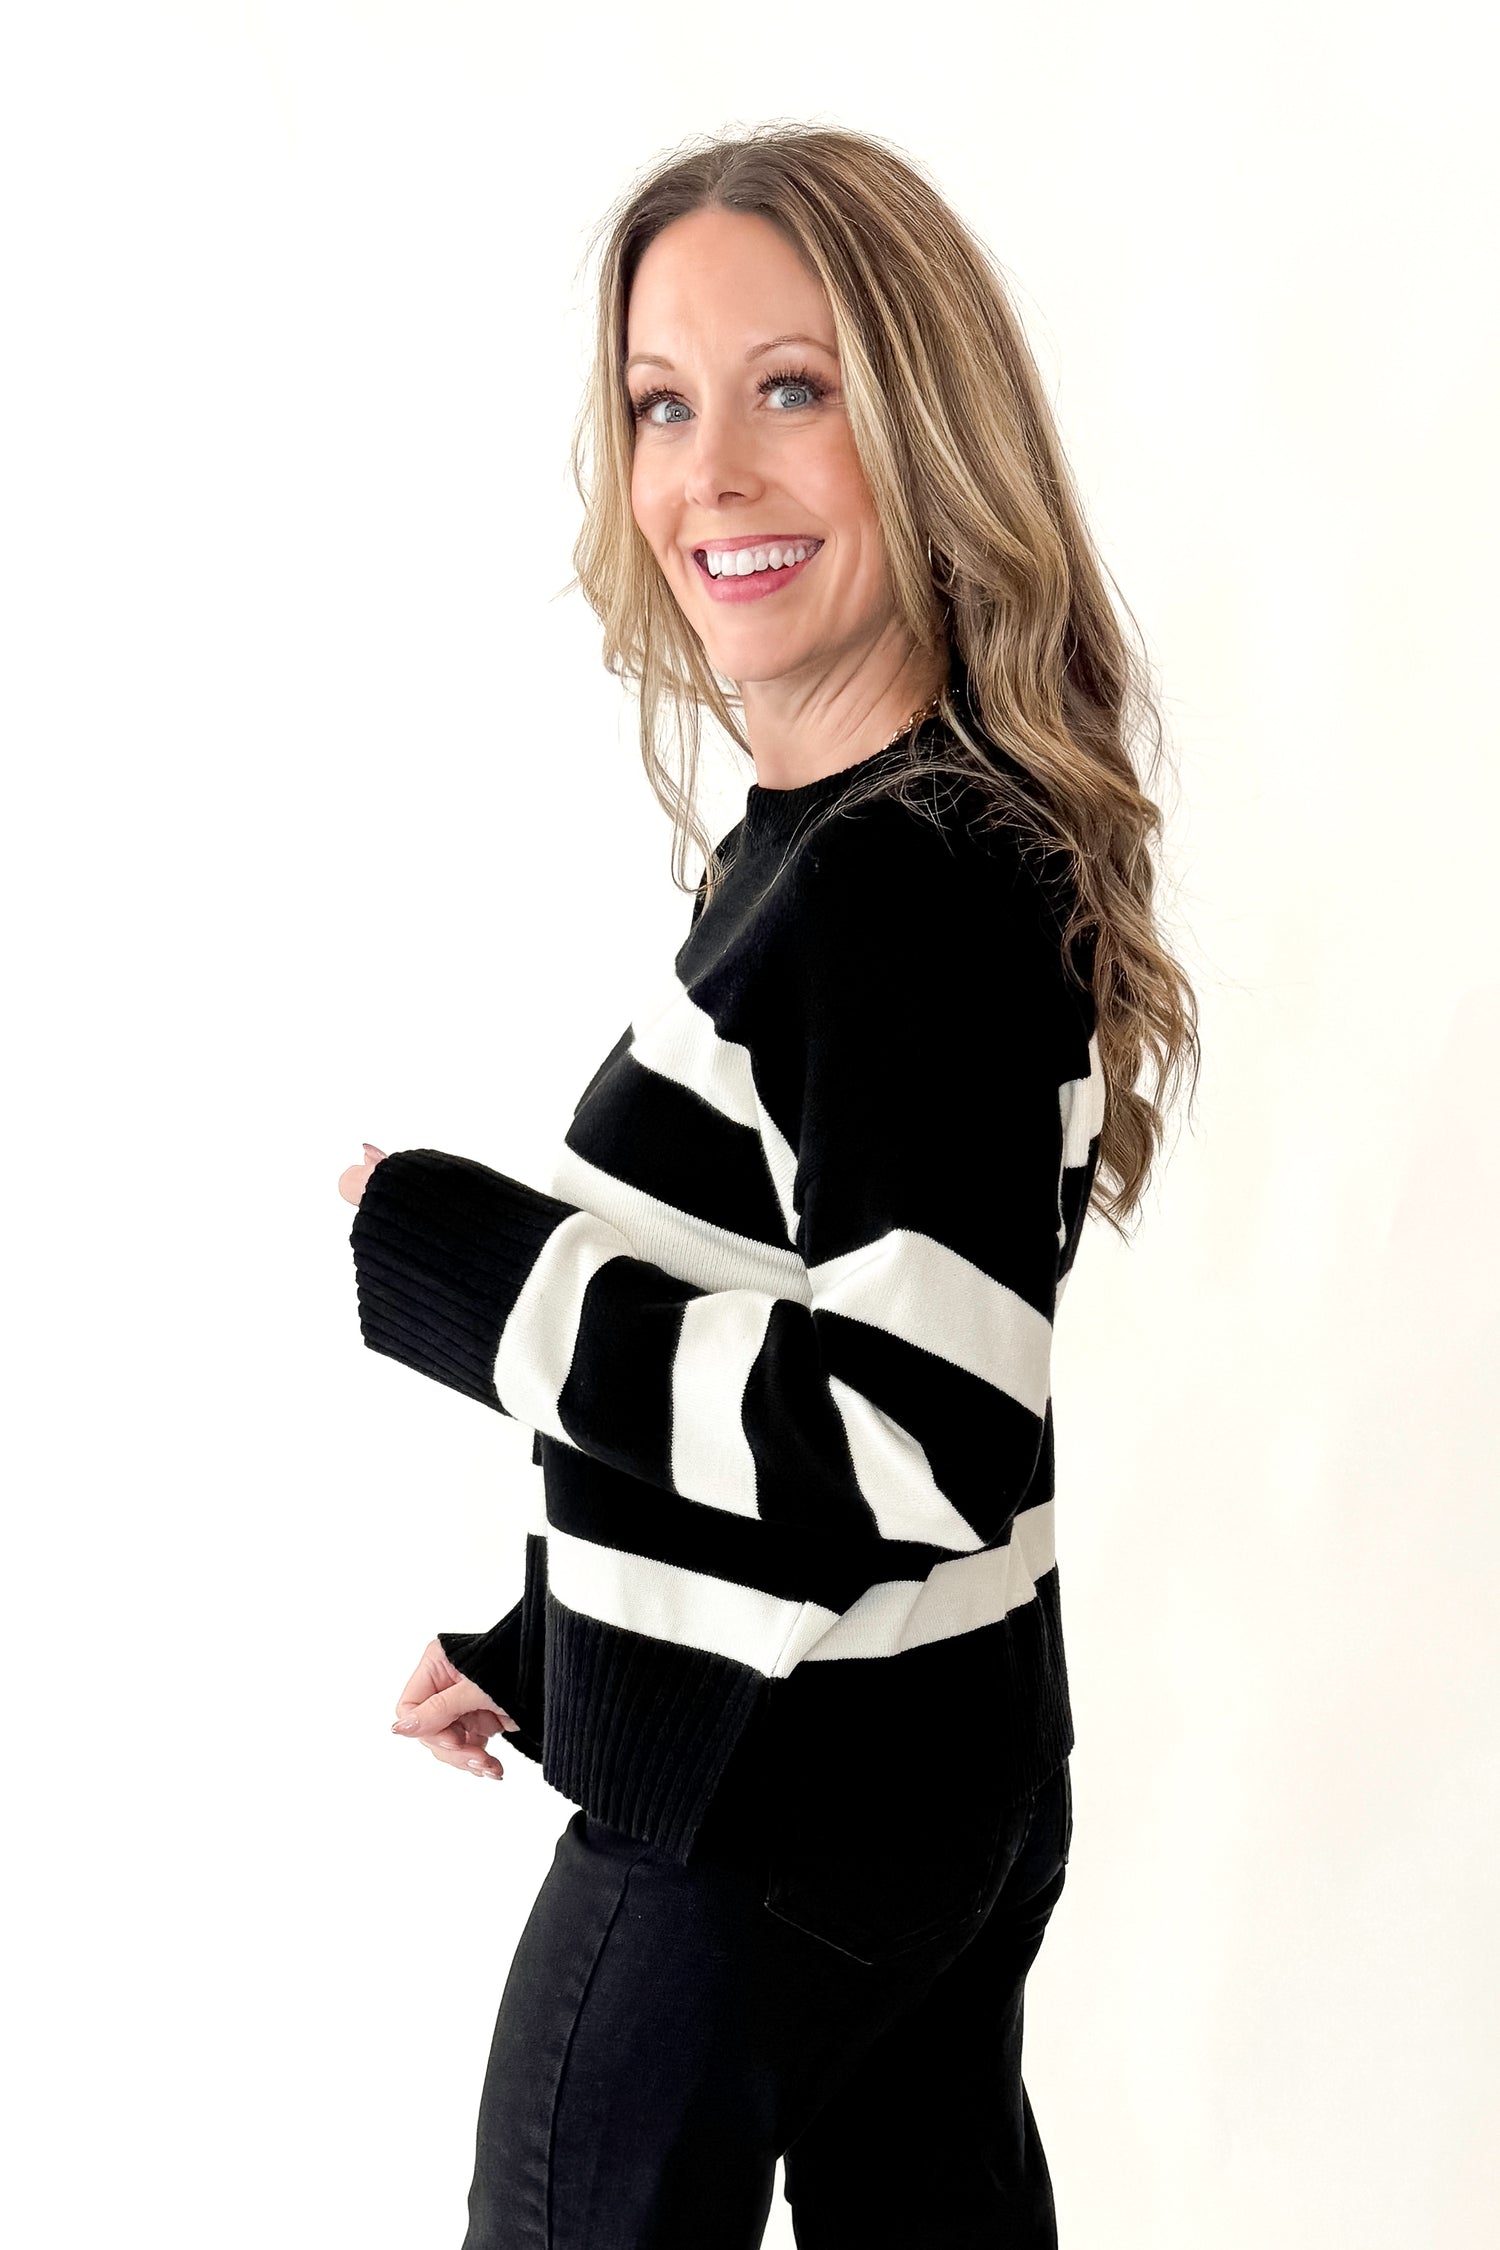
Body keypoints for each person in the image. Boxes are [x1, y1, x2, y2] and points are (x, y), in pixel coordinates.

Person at [338, 123, 1198, 2250]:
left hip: (760, 1829)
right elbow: (834, 1343)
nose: (710, 468)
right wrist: (566, 1638)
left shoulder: (901, 885)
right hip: (903, 1770)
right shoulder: (856, 843)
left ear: (924, 429)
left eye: (791, 389)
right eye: (662, 402)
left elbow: (918, 1433)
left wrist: (475, 1268)